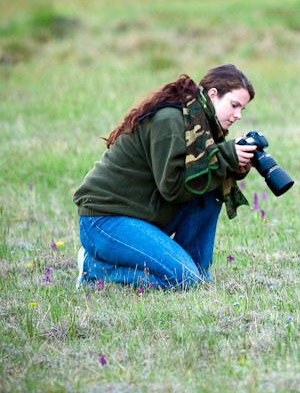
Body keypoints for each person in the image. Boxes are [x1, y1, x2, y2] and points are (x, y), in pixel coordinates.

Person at [73, 64, 257, 290]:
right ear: (212, 95)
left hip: (139, 214)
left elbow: (200, 177)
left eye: (242, 109)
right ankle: (93, 268)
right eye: (234, 105)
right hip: (104, 218)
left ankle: (198, 271)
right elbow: (171, 188)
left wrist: (235, 165)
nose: (238, 115)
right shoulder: (170, 120)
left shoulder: (201, 123)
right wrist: (226, 155)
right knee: (183, 280)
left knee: (210, 194)